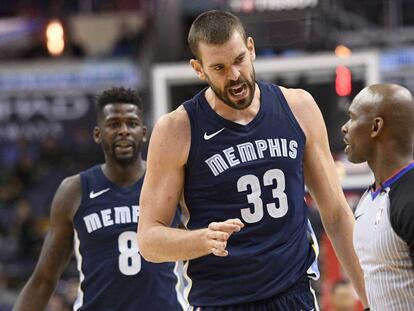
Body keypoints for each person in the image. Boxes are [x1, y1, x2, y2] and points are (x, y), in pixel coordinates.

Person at [138, 10, 368, 310]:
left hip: (293, 295)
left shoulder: (298, 107)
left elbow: (337, 214)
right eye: (218, 67)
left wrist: (370, 298)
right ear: (198, 69)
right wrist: (200, 240)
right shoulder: (176, 130)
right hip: (222, 301)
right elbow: (148, 240)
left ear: (251, 48)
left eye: (238, 60)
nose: (233, 75)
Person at [13, 87, 187, 311]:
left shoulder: (171, 183)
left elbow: (206, 252)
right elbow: (43, 279)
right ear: (98, 134)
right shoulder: (74, 190)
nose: (123, 131)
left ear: (144, 133)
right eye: (114, 124)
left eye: (131, 123)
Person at [341, 83, 414, 310]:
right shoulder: (368, 199)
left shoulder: (410, 199)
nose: (345, 128)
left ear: (376, 127)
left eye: (352, 118)